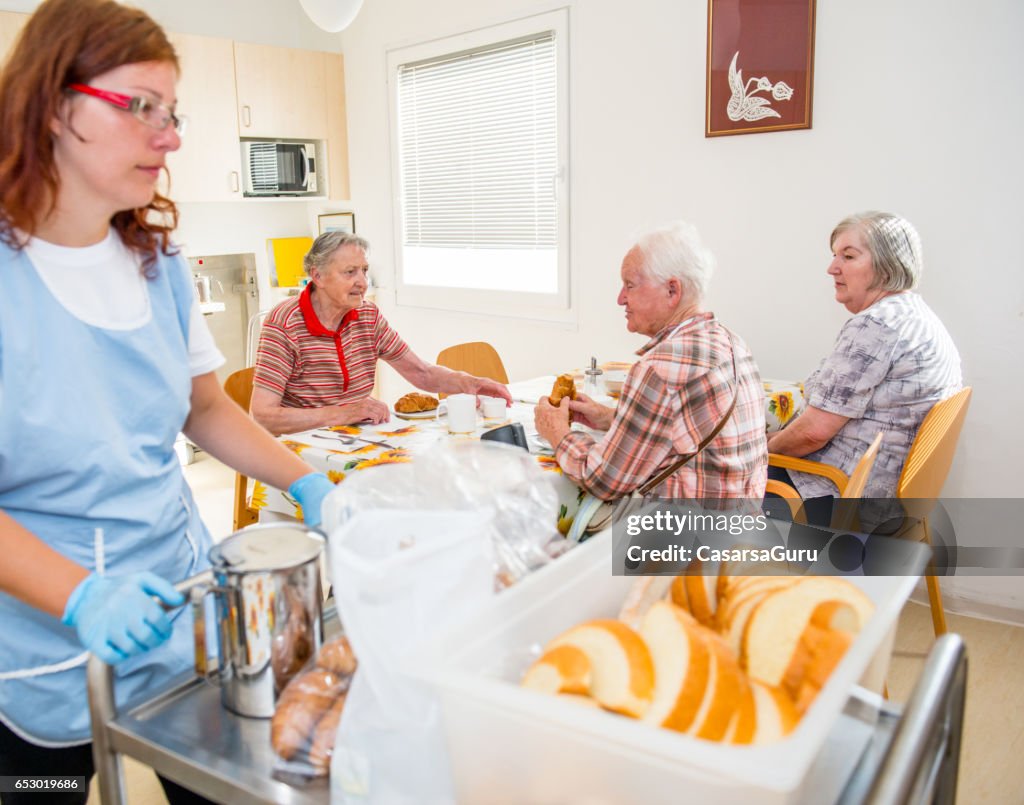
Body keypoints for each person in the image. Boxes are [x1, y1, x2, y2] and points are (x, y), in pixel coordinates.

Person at [0, 2, 336, 801]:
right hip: (42, 652)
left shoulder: (157, 261)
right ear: (53, 105)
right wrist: (79, 595)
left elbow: (206, 407)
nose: (171, 135)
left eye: (172, 111)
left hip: (180, 614)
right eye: (139, 107)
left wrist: (310, 483)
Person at [534, 221, 767, 502]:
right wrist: (611, 418)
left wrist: (557, 433)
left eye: (629, 285)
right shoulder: (731, 342)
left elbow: (602, 480)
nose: (620, 298)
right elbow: (684, 429)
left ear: (672, 291)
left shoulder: (659, 367)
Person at [766, 211, 962, 515]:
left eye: (848, 256)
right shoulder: (918, 317)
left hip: (836, 496)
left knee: (705, 477)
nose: (832, 268)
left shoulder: (876, 326)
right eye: (834, 256)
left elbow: (813, 433)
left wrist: (760, 451)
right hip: (882, 496)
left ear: (886, 265)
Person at [251, 230, 513, 435]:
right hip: (300, 451)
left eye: (364, 271)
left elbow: (421, 373)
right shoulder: (284, 324)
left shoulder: (367, 315)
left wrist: (472, 383)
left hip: (355, 438)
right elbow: (264, 416)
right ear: (317, 276)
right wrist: (346, 413)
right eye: (350, 272)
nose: (362, 283)